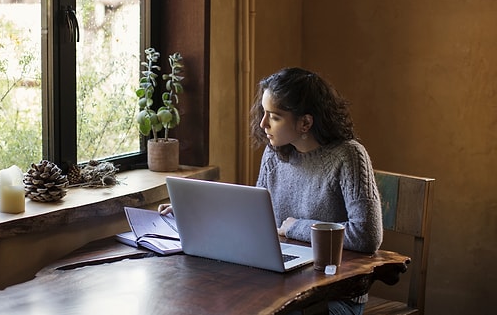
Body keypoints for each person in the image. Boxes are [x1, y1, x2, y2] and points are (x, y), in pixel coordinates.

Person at [160, 67, 383, 315]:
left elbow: (366, 237)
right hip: (283, 284)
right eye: (264, 113)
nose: (263, 123)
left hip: (335, 296)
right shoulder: (274, 154)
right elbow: (257, 219)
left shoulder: (349, 156)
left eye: (274, 116)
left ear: (305, 122)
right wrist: (197, 211)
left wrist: (295, 227)